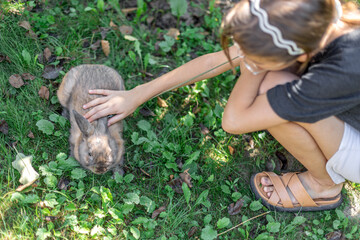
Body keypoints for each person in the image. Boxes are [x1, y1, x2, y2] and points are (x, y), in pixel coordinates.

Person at [83, 0, 360, 212]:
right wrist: (138, 93)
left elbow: (235, 120)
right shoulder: (312, 21)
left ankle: (324, 185)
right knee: (271, 79)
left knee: (269, 87)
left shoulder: (335, 74)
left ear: (299, 53)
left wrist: (252, 66)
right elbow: (217, 60)